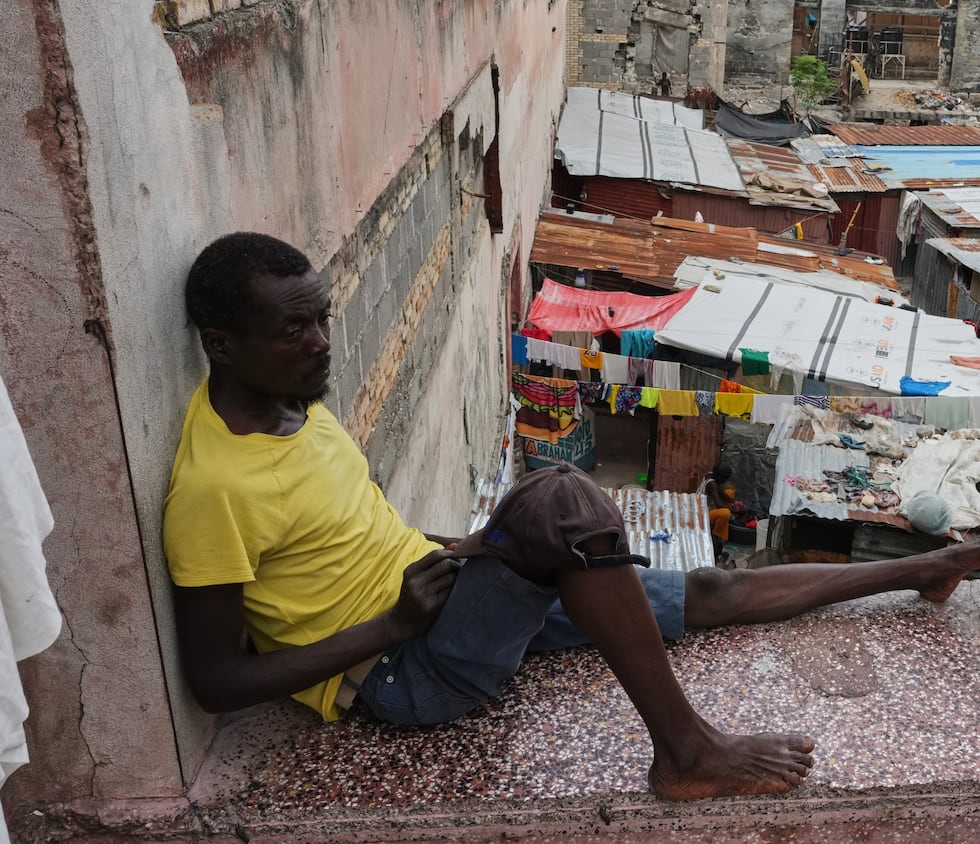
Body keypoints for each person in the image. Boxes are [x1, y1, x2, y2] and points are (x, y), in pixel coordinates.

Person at [163, 232, 980, 803]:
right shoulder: (214, 487)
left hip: (444, 594)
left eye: (320, 318)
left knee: (706, 585)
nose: (320, 343)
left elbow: (350, 534)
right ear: (222, 345)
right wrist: (391, 627)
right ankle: (686, 752)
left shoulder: (295, 408)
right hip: (403, 672)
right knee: (561, 496)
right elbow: (216, 682)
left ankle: (922, 570)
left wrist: (471, 550)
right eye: (293, 329)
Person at [700, 463, 736, 564]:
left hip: (707, 509)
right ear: (721, 478)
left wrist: (733, 502)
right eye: (725, 479)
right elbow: (719, 504)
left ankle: (719, 537)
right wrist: (735, 511)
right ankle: (717, 535)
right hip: (701, 514)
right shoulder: (712, 485)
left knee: (730, 494)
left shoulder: (712, 476)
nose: (726, 481)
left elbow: (721, 493)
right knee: (725, 513)